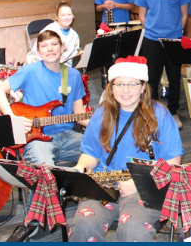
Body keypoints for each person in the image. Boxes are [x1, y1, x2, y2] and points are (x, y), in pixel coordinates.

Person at [68, 56, 184, 242]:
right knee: (84, 225)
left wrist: (138, 183)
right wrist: (81, 169)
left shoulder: (160, 114)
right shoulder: (101, 114)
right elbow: (90, 153)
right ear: (111, 87)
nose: (125, 90)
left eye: (132, 84)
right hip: (106, 183)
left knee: (132, 229)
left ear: (143, 87)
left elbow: (173, 162)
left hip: (147, 184)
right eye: (119, 84)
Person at [0, 27, 86, 166]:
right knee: (45, 171)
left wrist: (103, 123)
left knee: (103, 153)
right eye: (44, 46)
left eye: (54, 44)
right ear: (38, 51)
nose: (50, 49)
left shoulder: (73, 75)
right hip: (37, 139)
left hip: (69, 136)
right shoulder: (29, 71)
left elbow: (80, 114)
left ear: (62, 47)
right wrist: (13, 118)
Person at [133, 0, 190, 115]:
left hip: (173, 40)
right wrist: (150, 29)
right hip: (152, 40)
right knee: (152, 78)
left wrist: (178, 32)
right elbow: (142, 14)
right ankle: (153, 112)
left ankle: (172, 111)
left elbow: (184, 14)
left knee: (174, 78)